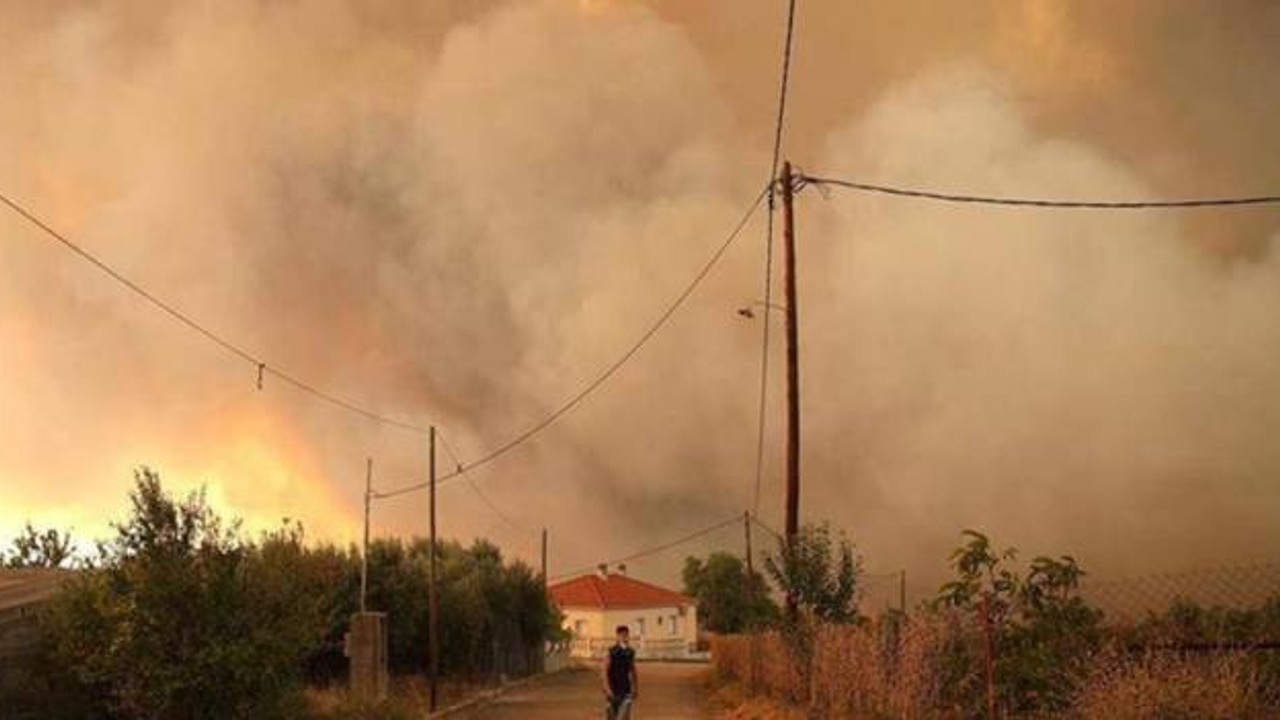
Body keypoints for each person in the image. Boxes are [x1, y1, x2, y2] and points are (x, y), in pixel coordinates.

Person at [602, 625, 638, 719]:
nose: (624, 637)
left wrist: (635, 687)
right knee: (611, 717)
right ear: (617, 636)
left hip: (626, 689)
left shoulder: (630, 652)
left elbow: (632, 670)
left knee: (624, 716)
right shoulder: (611, 652)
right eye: (622, 635)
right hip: (613, 689)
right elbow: (605, 670)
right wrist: (606, 687)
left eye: (626, 635)